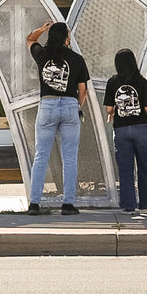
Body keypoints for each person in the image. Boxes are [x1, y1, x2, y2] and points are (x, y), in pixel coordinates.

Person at [26, 21, 89, 216]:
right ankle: (68, 205)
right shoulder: (77, 59)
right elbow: (83, 91)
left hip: (47, 105)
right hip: (70, 106)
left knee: (41, 155)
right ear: (66, 38)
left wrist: (42, 29)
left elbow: (30, 39)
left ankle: (34, 204)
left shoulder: (42, 55)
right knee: (69, 157)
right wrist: (77, 107)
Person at [104, 48, 147, 214]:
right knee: (146, 167)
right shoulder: (141, 81)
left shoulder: (112, 82)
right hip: (142, 129)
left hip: (121, 129)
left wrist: (112, 114)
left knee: (125, 170)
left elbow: (109, 108)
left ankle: (128, 206)